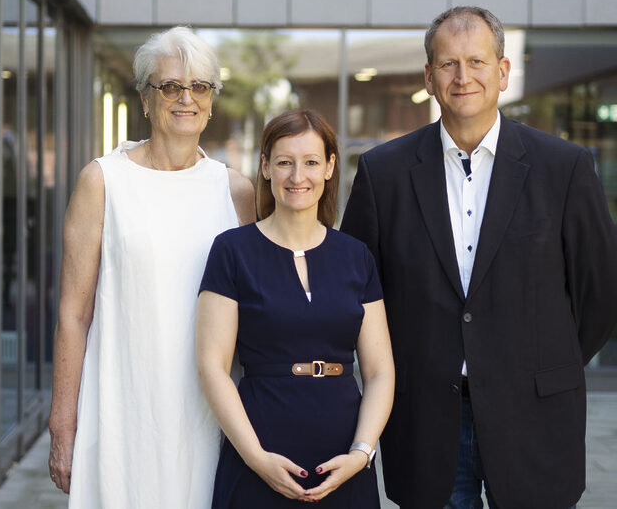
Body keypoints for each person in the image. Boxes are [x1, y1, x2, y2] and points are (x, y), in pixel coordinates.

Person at [341, 5, 617, 509]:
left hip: (536, 413)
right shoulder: (384, 174)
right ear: (428, 76)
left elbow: (600, 293)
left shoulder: (565, 168)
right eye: (448, 64)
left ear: (503, 72)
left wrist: (539, 364)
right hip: (427, 419)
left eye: (477, 62)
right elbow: (360, 294)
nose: (462, 77)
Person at [47, 26, 255, 508]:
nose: (186, 98)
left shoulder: (236, 190)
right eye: (170, 86)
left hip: (209, 416)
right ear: (145, 98)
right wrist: (63, 418)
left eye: (199, 86)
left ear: (211, 100)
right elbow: (73, 315)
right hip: (123, 408)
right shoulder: (102, 181)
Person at [197, 109, 395, 507]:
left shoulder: (356, 256)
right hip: (260, 453)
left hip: (344, 459)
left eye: (310, 162)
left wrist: (361, 453)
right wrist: (255, 459)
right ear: (266, 167)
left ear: (329, 167)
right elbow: (211, 366)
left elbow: (379, 371)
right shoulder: (232, 251)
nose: (297, 176)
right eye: (285, 162)